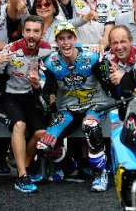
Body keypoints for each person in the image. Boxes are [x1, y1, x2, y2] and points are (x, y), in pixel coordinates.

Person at [30, 22, 112, 192]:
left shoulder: (93, 57)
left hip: (95, 105)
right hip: (68, 109)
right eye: (61, 39)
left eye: (69, 38)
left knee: (90, 126)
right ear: (57, 41)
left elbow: (109, 85)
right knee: (44, 145)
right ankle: (69, 164)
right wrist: (38, 86)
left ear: (75, 39)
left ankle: (100, 173)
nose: (66, 42)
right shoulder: (50, 62)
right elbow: (46, 95)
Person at [0, 15, 52, 193]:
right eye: (28, 31)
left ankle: (24, 165)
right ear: (23, 32)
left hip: (33, 95)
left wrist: (39, 85)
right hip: (11, 96)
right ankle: (21, 176)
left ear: (42, 33)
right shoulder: (12, 49)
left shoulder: (47, 50)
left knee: (42, 133)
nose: (32, 35)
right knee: (19, 125)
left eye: (36, 31)